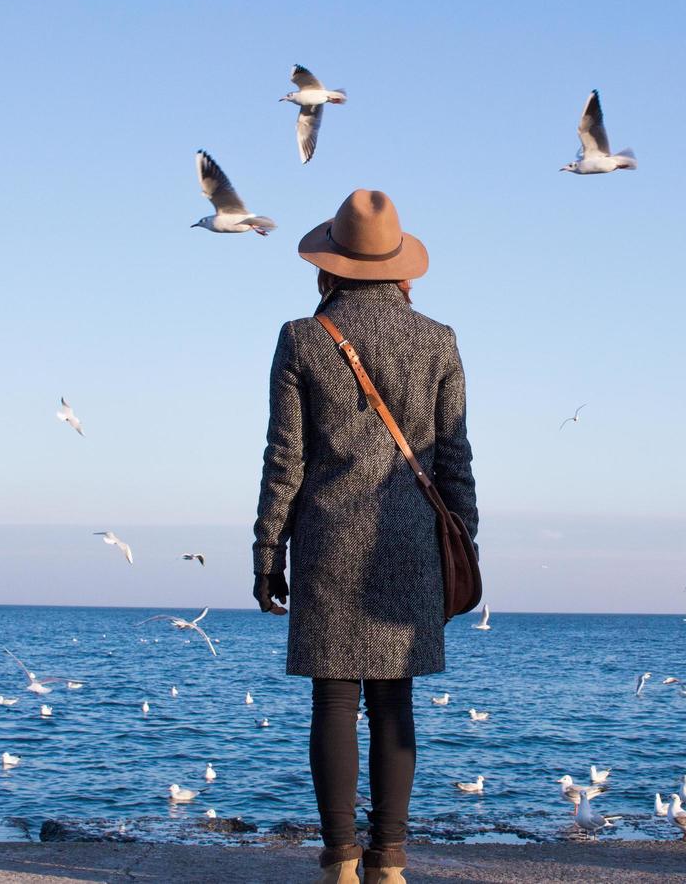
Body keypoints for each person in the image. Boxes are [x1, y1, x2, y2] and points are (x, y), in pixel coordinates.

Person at [253, 188, 478, 884]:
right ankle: (391, 862)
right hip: (409, 540)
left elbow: (284, 458)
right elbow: (454, 458)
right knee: (394, 699)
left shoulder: (302, 338)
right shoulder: (438, 339)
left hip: (326, 541)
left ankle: (340, 862)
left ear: (331, 264)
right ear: (399, 266)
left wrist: (268, 551)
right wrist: (461, 543)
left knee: (335, 700)